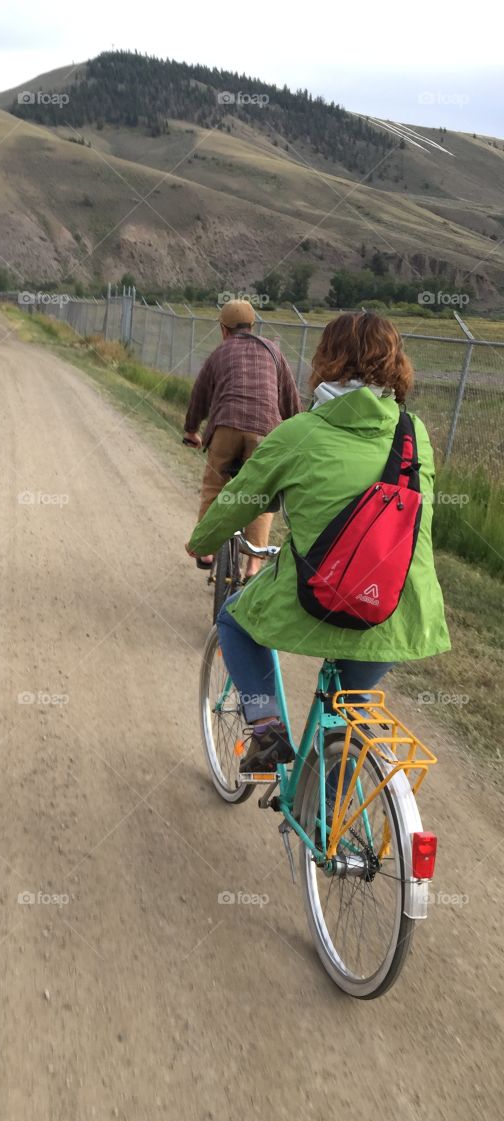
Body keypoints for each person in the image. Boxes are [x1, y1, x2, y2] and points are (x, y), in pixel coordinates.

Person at [185, 312, 450, 772]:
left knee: (234, 621)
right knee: (347, 715)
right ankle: (337, 835)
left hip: (320, 597)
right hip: (397, 607)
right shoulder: (415, 434)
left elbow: (238, 501)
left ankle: (267, 729)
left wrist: (201, 542)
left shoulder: (299, 434)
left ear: (327, 360)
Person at [182, 299, 302, 576]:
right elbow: (290, 400)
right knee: (262, 493)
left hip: (227, 426)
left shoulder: (219, 353)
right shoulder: (273, 351)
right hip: (265, 431)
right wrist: (298, 431)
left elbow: (199, 396)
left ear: (223, 330)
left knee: (214, 486)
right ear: (252, 326)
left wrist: (191, 430)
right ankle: (254, 563)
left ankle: (207, 550)